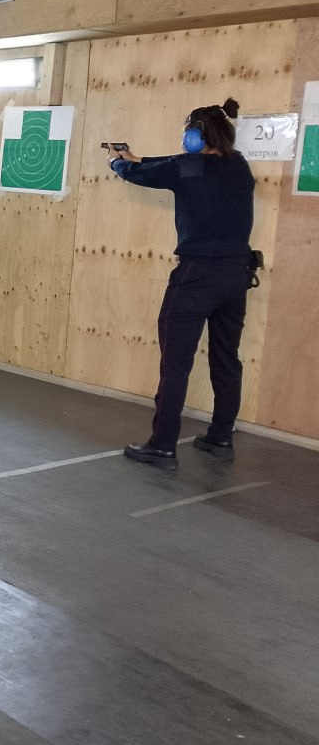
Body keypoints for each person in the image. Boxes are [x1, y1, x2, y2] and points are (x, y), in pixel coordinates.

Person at [106, 98, 255, 470]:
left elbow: (144, 173)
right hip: (236, 275)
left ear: (195, 136)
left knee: (175, 363)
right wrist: (138, 157)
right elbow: (169, 164)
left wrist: (117, 162)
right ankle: (221, 436)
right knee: (226, 358)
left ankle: (162, 445)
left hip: (196, 276)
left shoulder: (187, 167)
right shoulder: (239, 165)